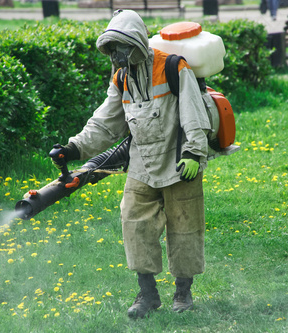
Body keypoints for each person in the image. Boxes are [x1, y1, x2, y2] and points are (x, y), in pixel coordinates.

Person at [51, 9, 211, 319]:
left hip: (178, 160)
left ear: (137, 43)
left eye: (121, 47)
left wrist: (193, 153)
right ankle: (148, 294)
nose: (117, 55)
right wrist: (74, 148)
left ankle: (183, 290)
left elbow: (194, 113)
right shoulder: (121, 77)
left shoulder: (173, 67)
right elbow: (106, 122)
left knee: (185, 227)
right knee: (134, 223)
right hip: (142, 162)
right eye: (112, 49)